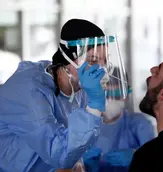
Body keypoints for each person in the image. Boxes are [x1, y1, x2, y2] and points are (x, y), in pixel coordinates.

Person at [0, 19, 125, 172]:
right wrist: (95, 106)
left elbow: (73, 142)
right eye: (92, 60)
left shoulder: (79, 88)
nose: (102, 69)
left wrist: (78, 164)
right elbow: (60, 154)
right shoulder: (29, 91)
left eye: (104, 61)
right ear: (68, 58)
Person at [78, 67, 156, 172]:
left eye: (116, 95)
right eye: (106, 95)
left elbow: (156, 163)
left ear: (126, 94)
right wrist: (88, 167)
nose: (110, 100)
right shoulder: (84, 128)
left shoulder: (138, 124)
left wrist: (138, 158)